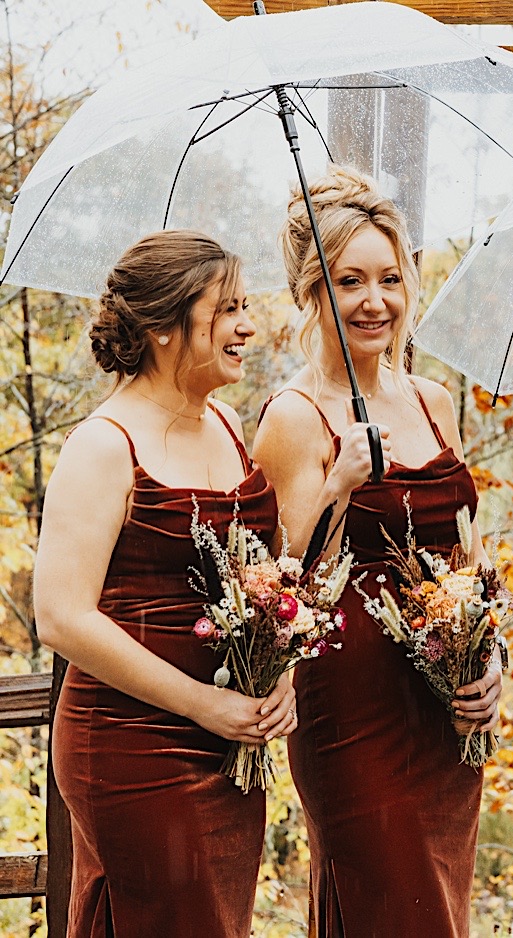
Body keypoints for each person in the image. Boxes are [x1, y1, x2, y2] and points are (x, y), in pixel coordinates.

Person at [253, 167, 499, 937]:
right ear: (310, 292)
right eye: (349, 280)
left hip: (442, 703)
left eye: (390, 279)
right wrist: (338, 483)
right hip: (351, 708)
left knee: (439, 906)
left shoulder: (432, 401)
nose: (375, 301)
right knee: (389, 906)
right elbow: (276, 588)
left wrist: (488, 662)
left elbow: (467, 558)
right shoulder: (291, 417)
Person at [36, 230, 294, 936]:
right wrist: (200, 703)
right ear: (161, 328)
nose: (248, 326)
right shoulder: (104, 444)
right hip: (130, 744)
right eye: (227, 309)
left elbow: (258, 580)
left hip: (228, 743)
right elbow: (60, 616)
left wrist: (279, 679)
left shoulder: (229, 424)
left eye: (247, 305)